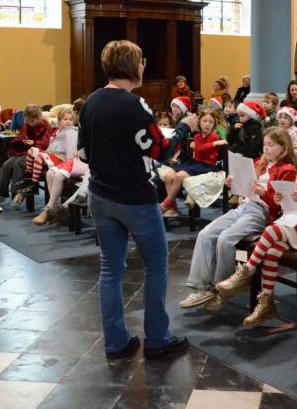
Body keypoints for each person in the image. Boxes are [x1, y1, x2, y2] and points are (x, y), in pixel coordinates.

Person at [79, 39, 198, 361]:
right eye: (142, 62)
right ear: (132, 66)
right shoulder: (134, 105)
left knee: (110, 270)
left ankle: (116, 343)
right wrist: (185, 130)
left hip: (100, 194)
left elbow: (83, 152)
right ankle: (158, 339)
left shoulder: (91, 102)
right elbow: (159, 149)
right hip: (134, 197)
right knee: (157, 265)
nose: (144, 67)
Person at [215, 139, 297, 326]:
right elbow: (295, 208)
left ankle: (247, 271)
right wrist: (281, 200)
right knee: (271, 251)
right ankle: (266, 301)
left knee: (272, 229)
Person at [178, 127, 297, 310]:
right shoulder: (259, 162)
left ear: (284, 148)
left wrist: (264, 192)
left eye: (271, 145)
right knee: (205, 234)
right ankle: (201, 287)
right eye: (265, 144)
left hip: (262, 211)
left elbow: (281, 205)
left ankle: (221, 289)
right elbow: (244, 189)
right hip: (243, 206)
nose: (266, 148)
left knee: (226, 239)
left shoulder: (287, 169)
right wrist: (232, 184)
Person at [159, 108, 227, 217]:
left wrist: (214, 143)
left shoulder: (214, 136)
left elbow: (201, 150)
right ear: (199, 123)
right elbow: (199, 150)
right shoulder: (197, 137)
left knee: (179, 175)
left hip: (207, 166)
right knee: (169, 176)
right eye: (204, 121)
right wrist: (214, 144)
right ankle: (173, 207)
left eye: (211, 122)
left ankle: (167, 203)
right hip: (195, 163)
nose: (207, 124)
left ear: (214, 125)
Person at [16, 106, 79, 206]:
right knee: (32, 150)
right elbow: (50, 145)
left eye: (70, 119)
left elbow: (70, 150)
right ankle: (30, 177)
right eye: (65, 119)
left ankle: (34, 184)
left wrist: (67, 163)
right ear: (59, 121)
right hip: (52, 155)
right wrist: (45, 152)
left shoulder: (71, 131)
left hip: (60, 159)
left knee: (39, 157)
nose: (68, 122)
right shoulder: (58, 131)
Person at [0, 104, 53, 204]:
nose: (29, 123)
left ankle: (19, 193)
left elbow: (46, 143)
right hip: (25, 152)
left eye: (32, 121)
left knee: (19, 163)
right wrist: (24, 141)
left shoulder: (47, 126)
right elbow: (21, 136)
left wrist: (33, 142)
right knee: (6, 165)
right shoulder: (27, 124)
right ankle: (1, 195)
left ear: (38, 117)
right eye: (28, 121)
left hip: (38, 154)